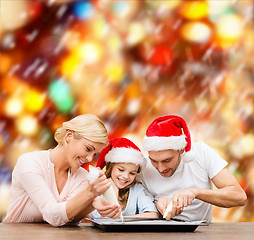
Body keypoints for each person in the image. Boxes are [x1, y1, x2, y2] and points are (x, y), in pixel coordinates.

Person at [3, 114, 120, 226]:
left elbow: (68, 220)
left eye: (94, 154)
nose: (89, 158)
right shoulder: (30, 163)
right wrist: (90, 193)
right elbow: (52, 215)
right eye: (88, 149)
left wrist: (92, 204)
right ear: (69, 136)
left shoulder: (82, 176)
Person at [139, 115, 247, 222]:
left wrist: (196, 193)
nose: (161, 168)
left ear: (181, 150)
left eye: (167, 160)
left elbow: (239, 197)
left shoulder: (201, 153)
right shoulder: (143, 168)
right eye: (154, 161)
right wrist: (156, 205)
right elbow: (133, 208)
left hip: (201, 233)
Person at [90, 137, 159, 219]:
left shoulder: (137, 189)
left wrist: (122, 219)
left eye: (132, 173)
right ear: (111, 167)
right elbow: (100, 218)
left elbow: (153, 215)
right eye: (121, 170)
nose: (126, 176)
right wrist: (113, 193)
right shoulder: (98, 187)